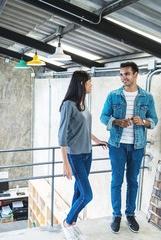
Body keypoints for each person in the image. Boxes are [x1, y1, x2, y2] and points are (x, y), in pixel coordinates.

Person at [100, 61, 158, 234]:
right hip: (117, 145)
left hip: (137, 146)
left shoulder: (147, 97)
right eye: (121, 74)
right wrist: (117, 122)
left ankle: (130, 215)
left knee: (133, 181)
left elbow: (153, 120)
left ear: (135, 74)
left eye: (126, 74)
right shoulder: (113, 95)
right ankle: (116, 216)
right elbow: (103, 116)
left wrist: (144, 122)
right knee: (117, 181)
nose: (123, 77)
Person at [58, 70, 108, 240]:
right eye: (89, 81)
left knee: (79, 190)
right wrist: (66, 164)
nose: (91, 84)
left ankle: (72, 224)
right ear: (81, 84)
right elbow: (62, 137)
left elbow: (85, 129)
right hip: (76, 156)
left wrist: (97, 140)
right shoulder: (68, 105)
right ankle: (67, 222)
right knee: (88, 195)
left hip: (88, 154)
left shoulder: (82, 104)